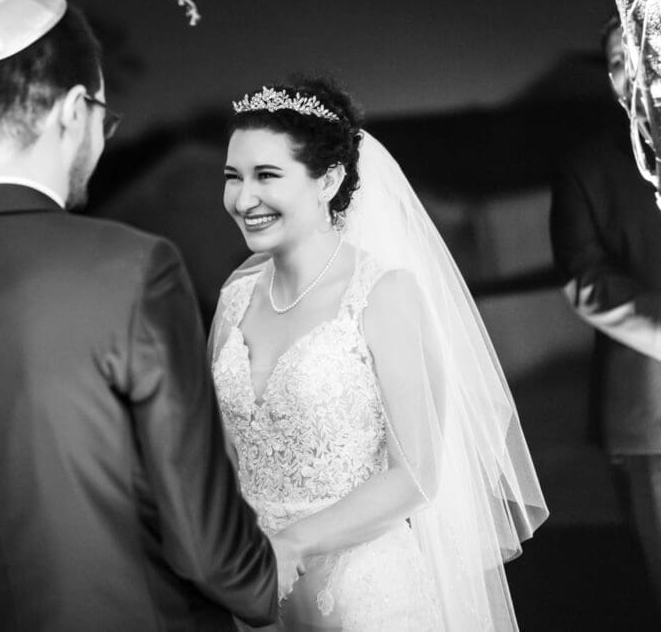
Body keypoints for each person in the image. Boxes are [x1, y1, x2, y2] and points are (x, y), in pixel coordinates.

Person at [0, 0, 278, 631]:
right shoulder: (134, 269)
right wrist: (267, 589)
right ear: (75, 108)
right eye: (104, 118)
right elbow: (206, 548)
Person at [211, 79, 549, 630]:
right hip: (254, 594)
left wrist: (291, 544)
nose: (243, 198)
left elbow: (415, 474)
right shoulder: (234, 300)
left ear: (330, 180)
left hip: (364, 594)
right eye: (233, 177)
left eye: (267, 175)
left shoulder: (383, 293)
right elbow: (220, 456)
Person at [550, 16, 661, 610]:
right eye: (617, 63)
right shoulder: (586, 166)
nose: (630, 73)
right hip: (652, 414)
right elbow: (582, 279)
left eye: (640, 55)